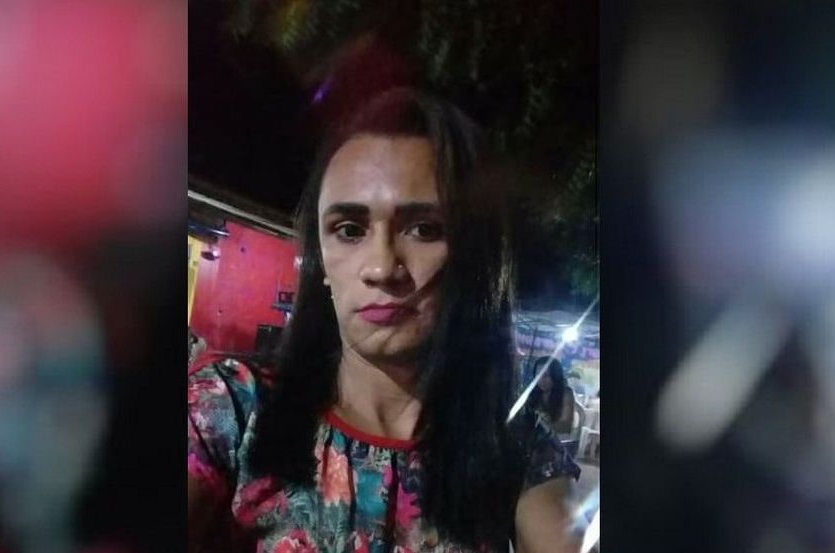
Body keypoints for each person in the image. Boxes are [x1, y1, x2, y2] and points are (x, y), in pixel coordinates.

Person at [188, 88, 579, 553]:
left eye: (425, 229)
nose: (381, 267)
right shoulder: (232, 410)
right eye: (349, 230)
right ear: (321, 260)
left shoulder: (513, 442)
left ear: (473, 256)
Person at [528, 357, 580, 436]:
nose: (541, 379)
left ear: (555, 376)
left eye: (546, 375)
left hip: (557, 439)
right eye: (538, 374)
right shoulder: (533, 392)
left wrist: (544, 424)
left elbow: (565, 426)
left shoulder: (566, 393)